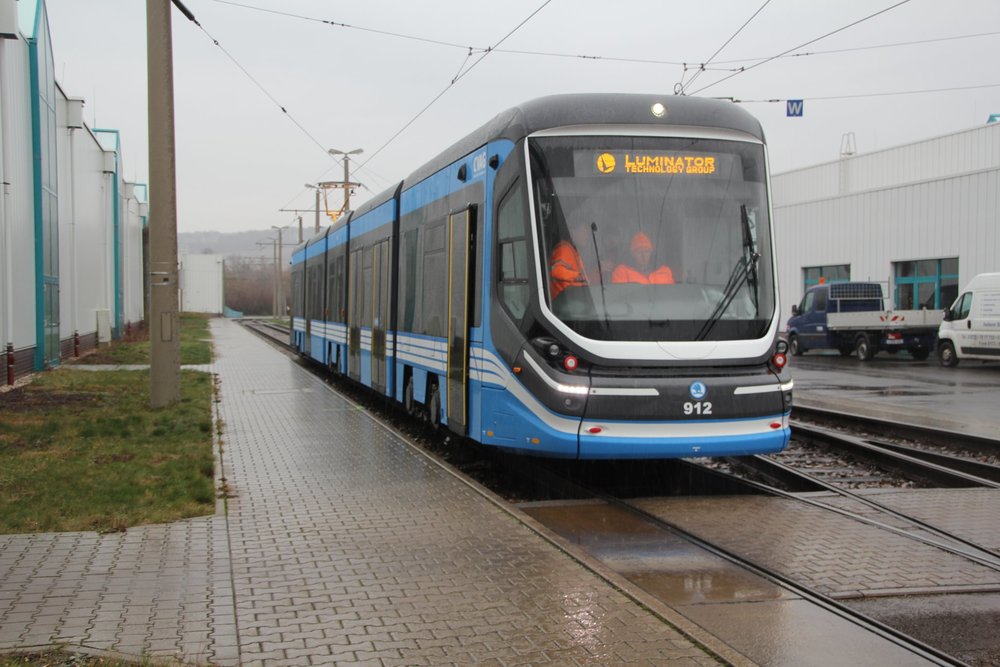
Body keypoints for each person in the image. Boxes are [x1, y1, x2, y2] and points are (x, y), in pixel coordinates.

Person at [548, 232, 588, 299]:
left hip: (574, 296)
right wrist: (577, 276)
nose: (587, 236)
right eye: (585, 232)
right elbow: (556, 270)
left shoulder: (573, 251)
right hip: (564, 299)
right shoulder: (565, 249)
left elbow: (584, 279)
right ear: (574, 232)